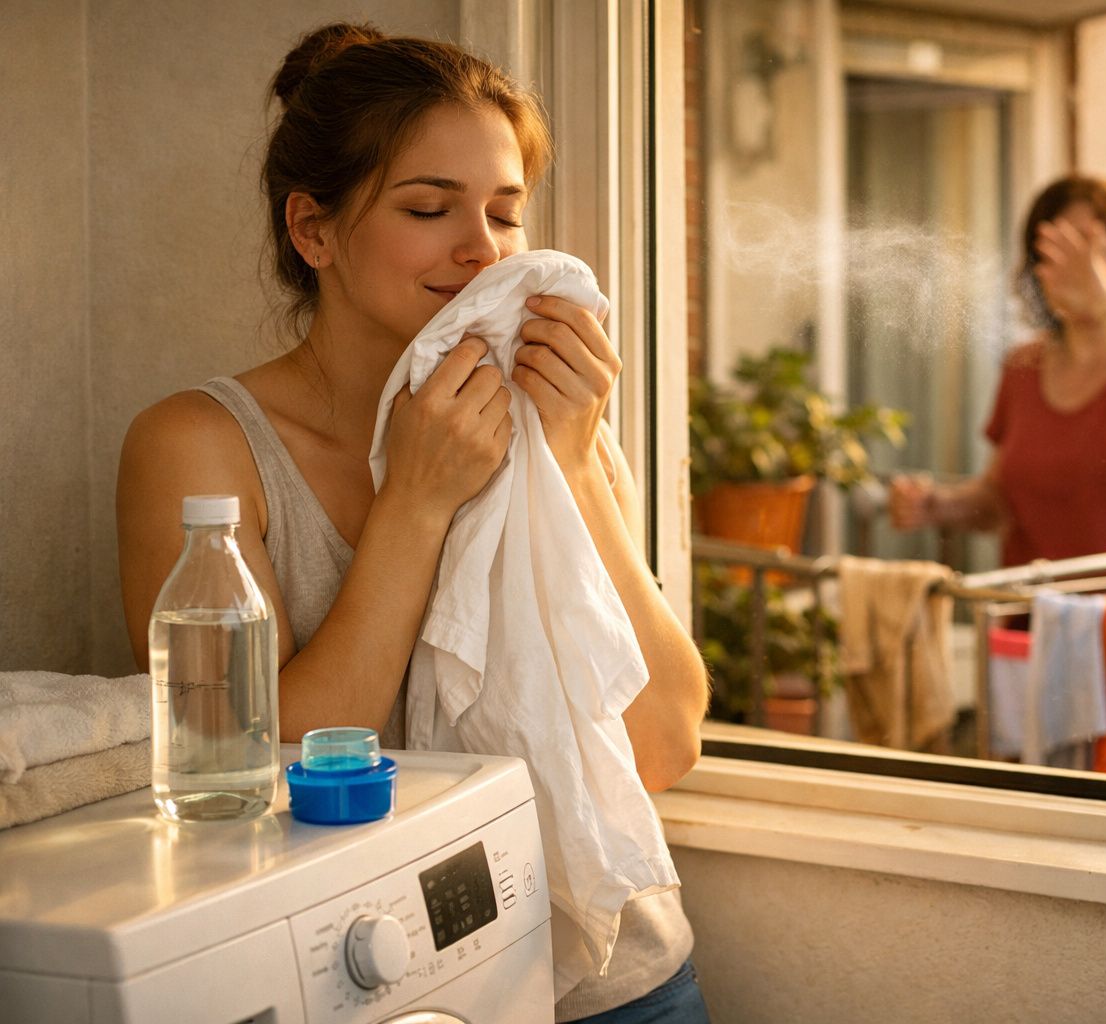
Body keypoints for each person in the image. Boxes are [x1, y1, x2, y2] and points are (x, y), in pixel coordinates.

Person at [115, 23, 711, 1023]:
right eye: (430, 208)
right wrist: (418, 502)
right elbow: (247, 772)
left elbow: (664, 743)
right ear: (314, 232)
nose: (482, 250)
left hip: (623, 987)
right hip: (377, 991)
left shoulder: (548, 420)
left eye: (507, 214)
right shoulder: (201, 446)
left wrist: (569, 462)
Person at [889, 175, 1106, 567]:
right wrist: (937, 506)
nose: (1074, 272)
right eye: (1051, 255)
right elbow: (1002, 501)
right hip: (1042, 622)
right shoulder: (1024, 367)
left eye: (1092, 253)